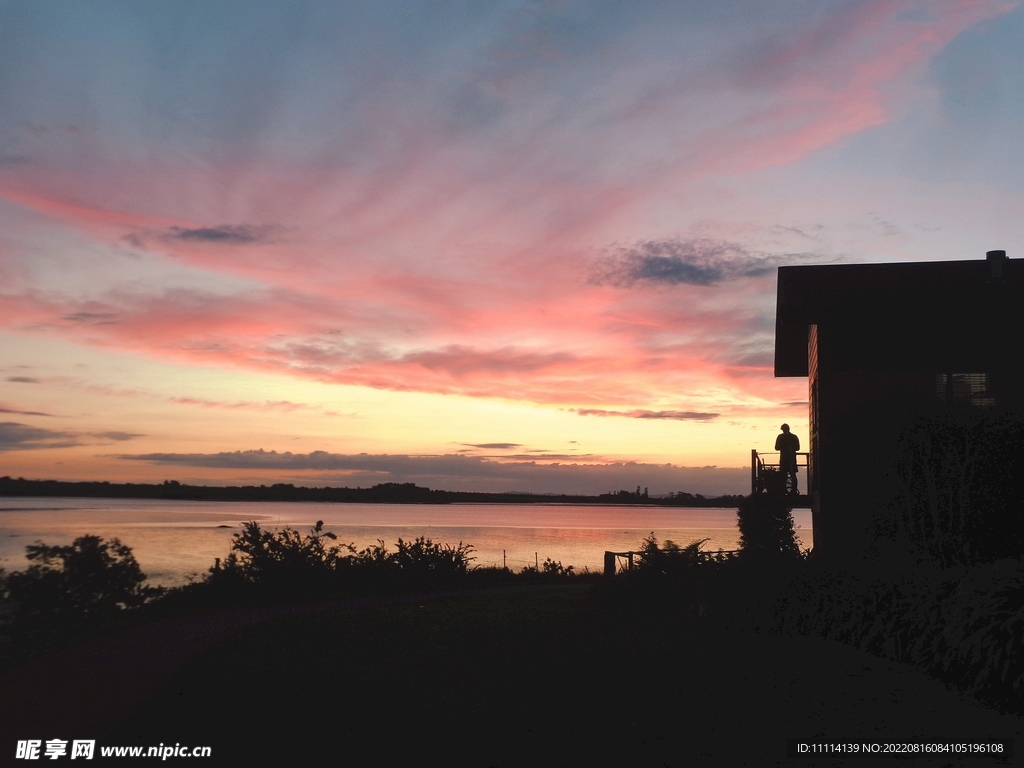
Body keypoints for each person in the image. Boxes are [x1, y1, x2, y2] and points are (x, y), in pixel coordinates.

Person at [775, 423, 800, 494]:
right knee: (793, 475)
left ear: (783, 429)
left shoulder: (780, 437)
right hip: (792, 458)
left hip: (783, 459)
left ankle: (783, 490)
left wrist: (783, 447)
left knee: (783, 475)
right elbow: (798, 448)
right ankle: (793, 490)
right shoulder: (794, 437)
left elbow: (776, 447)